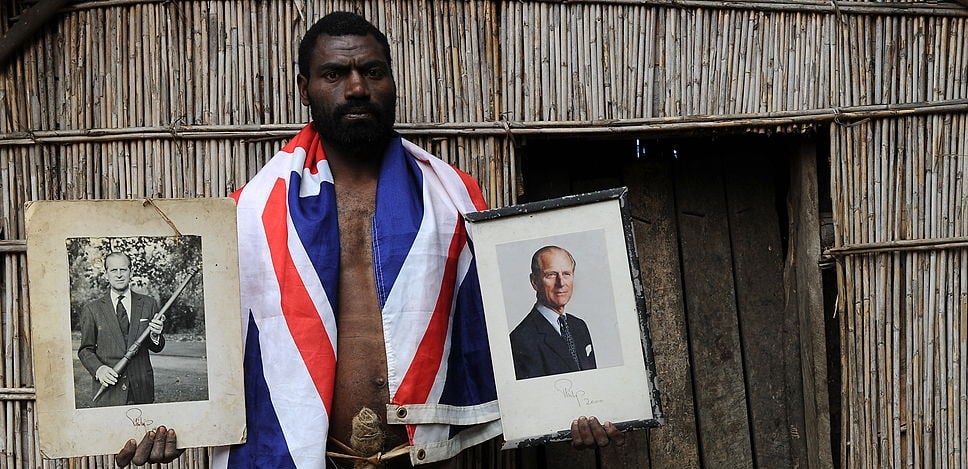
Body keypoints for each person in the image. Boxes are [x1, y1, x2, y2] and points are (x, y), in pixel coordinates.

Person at [118, 11, 623, 468]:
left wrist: (578, 402)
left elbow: (500, 321)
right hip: (303, 457)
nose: (356, 87)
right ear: (305, 87)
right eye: (335, 74)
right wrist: (165, 424)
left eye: (373, 72)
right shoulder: (245, 213)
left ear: (391, 80)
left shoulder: (455, 195)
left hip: (421, 458)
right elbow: (215, 347)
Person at [78, 252, 165, 408]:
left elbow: (156, 347)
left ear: (130, 272)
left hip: (141, 390)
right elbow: (85, 350)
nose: (119, 275)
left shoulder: (148, 303)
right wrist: (99, 369)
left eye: (123, 270)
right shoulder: (92, 309)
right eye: (113, 270)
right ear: (106, 274)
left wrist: (155, 334)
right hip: (109, 392)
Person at [510, 246, 597, 380]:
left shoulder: (579, 326)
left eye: (566, 274)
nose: (561, 283)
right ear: (534, 282)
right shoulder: (520, 340)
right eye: (551, 275)